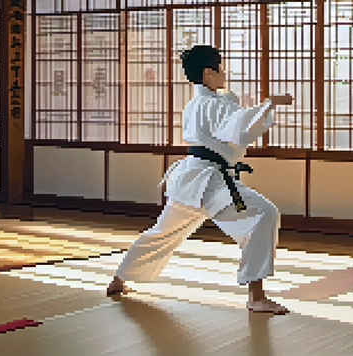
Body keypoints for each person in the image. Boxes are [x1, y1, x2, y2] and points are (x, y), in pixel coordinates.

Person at [107, 44, 293, 314]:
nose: (224, 73)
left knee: (161, 233)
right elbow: (239, 130)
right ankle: (256, 296)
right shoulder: (210, 104)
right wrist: (269, 104)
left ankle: (118, 280)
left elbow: (235, 122)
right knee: (264, 214)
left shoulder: (199, 103)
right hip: (209, 182)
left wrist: (258, 107)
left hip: (189, 181)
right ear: (209, 73)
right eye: (221, 67)